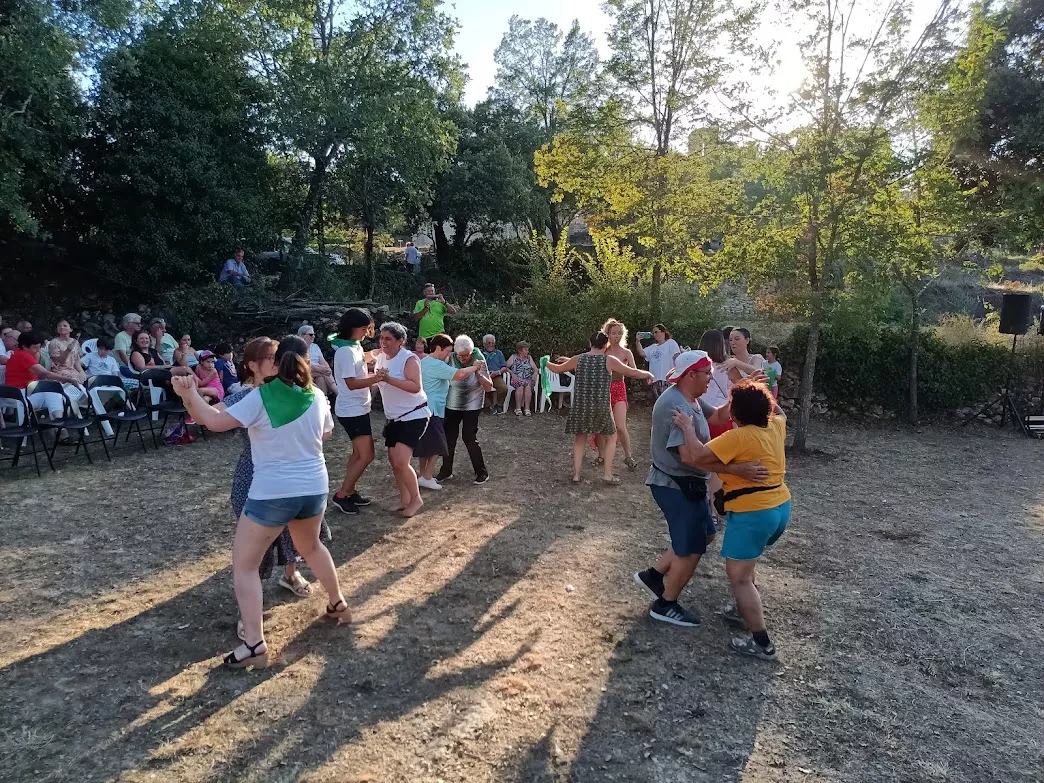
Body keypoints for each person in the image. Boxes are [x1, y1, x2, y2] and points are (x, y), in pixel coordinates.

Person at [170, 335, 347, 670]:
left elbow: (214, 422)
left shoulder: (259, 397)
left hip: (273, 492)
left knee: (246, 565)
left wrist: (188, 393)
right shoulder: (317, 394)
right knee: (311, 547)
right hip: (314, 487)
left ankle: (254, 644)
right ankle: (338, 603)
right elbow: (326, 434)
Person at [633, 351, 771, 628]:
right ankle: (665, 604)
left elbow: (719, 417)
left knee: (706, 534)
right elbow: (690, 457)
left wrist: (743, 392)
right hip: (674, 485)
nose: (710, 378)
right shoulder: (676, 406)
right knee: (692, 547)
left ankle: (653, 575)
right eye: (707, 373)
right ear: (691, 375)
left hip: (690, 484)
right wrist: (735, 470)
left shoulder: (691, 399)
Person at [670, 379, 790, 661]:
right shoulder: (775, 426)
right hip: (780, 507)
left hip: (753, 514)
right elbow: (781, 413)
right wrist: (763, 392)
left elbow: (697, 454)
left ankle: (762, 644)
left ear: (736, 415)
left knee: (740, 579)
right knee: (747, 565)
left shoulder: (739, 437)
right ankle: (742, 610)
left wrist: (687, 427)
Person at [222, 338, 333, 605]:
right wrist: (192, 398)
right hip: (256, 472)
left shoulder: (300, 393)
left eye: (278, 356)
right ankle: (250, 612)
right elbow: (213, 416)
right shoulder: (249, 396)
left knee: (294, 533)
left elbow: (324, 432)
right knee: (254, 550)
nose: (277, 361)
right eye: (269, 358)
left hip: (294, 475)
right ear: (251, 365)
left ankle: (291, 574)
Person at [547, 332, 654, 485]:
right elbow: (633, 372)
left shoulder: (579, 359)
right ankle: (607, 475)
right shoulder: (609, 360)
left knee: (580, 439)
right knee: (611, 437)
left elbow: (556, 369)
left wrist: (544, 362)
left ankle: (576, 475)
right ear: (605, 346)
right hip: (601, 406)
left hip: (581, 406)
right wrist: (648, 373)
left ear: (590, 343)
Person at [374, 321, 429, 517]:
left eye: (388, 339)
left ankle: (416, 499)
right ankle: (405, 499)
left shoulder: (409, 359)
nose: (383, 342)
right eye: (381, 338)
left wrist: (389, 380)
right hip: (394, 417)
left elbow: (415, 387)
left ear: (401, 341)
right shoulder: (380, 357)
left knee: (400, 461)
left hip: (414, 415)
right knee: (393, 461)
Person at [330, 308, 380, 515]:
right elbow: (351, 383)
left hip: (357, 408)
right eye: (364, 328)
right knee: (367, 455)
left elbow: (361, 359)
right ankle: (342, 495)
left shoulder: (353, 346)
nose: (366, 332)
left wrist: (375, 354)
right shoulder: (345, 351)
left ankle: (349, 491)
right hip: (352, 410)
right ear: (353, 327)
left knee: (359, 453)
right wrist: (377, 378)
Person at [418, 334, 484, 489]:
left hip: (424, 408)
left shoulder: (424, 361)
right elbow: (459, 374)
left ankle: (423, 474)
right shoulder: (437, 365)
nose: (449, 354)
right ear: (439, 348)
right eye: (448, 351)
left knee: (425, 445)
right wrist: (475, 367)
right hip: (434, 409)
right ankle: (427, 477)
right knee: (438, 445)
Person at [437, 335, 493, 485]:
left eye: (466, 355)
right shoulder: (450, 357)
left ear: (471, 352)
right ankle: (446, 470)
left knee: (469, 437)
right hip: (452, 403)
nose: (463, 358)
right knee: (449, 437)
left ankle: (481, 472)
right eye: (460, 356)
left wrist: (478, 372)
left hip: (472, 404)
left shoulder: (478, 357)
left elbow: (488, 386)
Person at [4, 331, 89, 419]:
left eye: (39, 347)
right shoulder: (23, 356)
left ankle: (58, 421)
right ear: (25, 347)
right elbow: (45, 373)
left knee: (53, 392)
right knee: (52, 391)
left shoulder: (24, 354)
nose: (38, 350)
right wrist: (69, 379)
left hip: (26, 393)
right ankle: (59, 421)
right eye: (35, 347)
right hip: (19, 395)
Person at [602, 317, 639, 469]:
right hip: (603, 390)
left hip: (619, 389)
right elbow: (587, 359)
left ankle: (628, 456)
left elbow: (634, 371)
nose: (616, 336)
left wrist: (645, 376)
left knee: (620, 426)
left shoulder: (626, 352)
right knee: (603, 426)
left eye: (618, 333)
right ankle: (601, 455)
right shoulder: (603, 351)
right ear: (607, 334)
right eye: (613, 333)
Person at [635, 324, 681, 398]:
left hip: (667, 380)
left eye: (656, 332)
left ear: (663, 332)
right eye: (653, 333)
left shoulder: (670, 343)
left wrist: (679, 374)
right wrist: (638, 341)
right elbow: (642, 353)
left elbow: (677, 358)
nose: (654, 334)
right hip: (655, 381)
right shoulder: (652, 347)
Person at [298, 324, 337, 398]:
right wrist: (320, 369)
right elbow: (302, 363)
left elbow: (322, 361)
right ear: (302, 336)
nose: (313, 336)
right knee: (323, 373)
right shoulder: (298, 347)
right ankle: (337, 392)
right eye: (310, 334)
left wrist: (328, 369)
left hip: (317, 372)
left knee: (321, 379)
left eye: (314, 334)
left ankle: (322, 400)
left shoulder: (315, 347)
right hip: (305, 371)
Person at [504, 341, 538, 416]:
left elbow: (535, 369)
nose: (527, 351)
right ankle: (518, 408)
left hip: (528, 378)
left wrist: (535, 374)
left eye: (527, 349)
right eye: (526, 350)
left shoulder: (529, 358)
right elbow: (505, 368)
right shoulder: (513, 357)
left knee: (528, 386)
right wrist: (512, 374)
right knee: (520, 385)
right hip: (517, 379)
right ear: (520, 350)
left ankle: (527, 409)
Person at [48, 320, 86, 386]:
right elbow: (58, 361)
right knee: (75, 379)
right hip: (59, 371)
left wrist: (81, 371)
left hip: (72, 370)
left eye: (65, 326)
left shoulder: (75, 342)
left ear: (71, 329)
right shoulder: (54, 343)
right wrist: (67, 351)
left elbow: (76, 360)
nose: (62, 327)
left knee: (86, 378)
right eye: (59, 326)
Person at [481, 334, 508, 414]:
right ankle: (488, 406)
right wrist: (485, 373)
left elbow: (504, 367)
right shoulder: (480, 353)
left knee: (503, 388)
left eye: (493, 343)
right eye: (489, 343)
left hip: (496, 375)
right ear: (484, 344)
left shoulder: (499, 353)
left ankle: (498, 405)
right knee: (478, 388)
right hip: (483, 376)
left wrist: (497, 372)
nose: (491, 345)